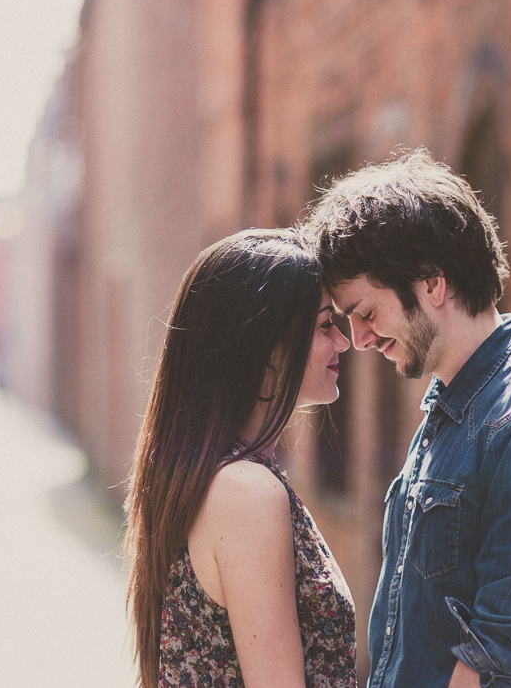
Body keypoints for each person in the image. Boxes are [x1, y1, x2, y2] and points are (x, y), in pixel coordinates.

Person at [303, 150, 511, 688]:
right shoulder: (450, 414)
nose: (359, 339)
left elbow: (503, 663)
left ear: (432, 284)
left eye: (367, 313)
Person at [125, 230, 357, 688]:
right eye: (324, 325)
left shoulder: (211, 475)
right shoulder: (246, 492)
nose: (343, 342)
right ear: (269, 347)